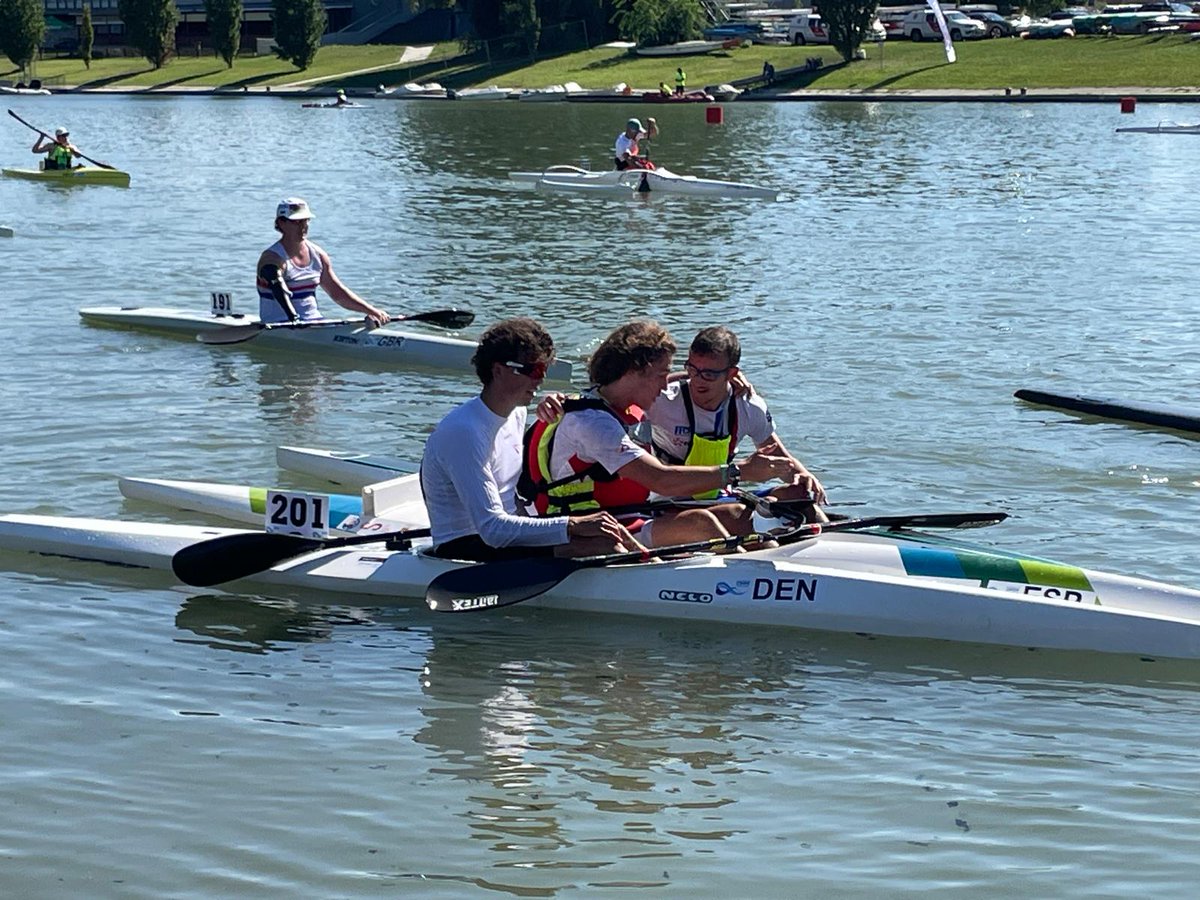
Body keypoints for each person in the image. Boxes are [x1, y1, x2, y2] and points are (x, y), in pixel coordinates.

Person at [521, 321, 804, 548]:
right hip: (588, 529)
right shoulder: (592, 423)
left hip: (628, 516)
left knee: (733, 515)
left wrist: (726, 379)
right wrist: (739, 471)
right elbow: (661, 480)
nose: (667, 382)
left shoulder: (616, 405)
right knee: (700, 523)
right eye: (662, 374)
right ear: (635, 372)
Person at [420, 318, 643, 562]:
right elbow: (492, 529)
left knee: (612, 530)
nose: (541, 379)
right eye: (533, 370)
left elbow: (510, 507)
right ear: (498, 370)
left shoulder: (516, 413)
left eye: (544, 369)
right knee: (601, 544)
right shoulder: (464, 431)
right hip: (464, 545)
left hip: (504, 534)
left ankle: (655, 568)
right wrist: (572, 524)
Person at [646, 326, 828, 525]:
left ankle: (829, 540)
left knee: (799, 493)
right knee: (739, 513)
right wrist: (680, 376)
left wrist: (804, 476)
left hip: (721, 496)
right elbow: (613, 396)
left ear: (731, 373)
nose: (698, 380)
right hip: (672, 502)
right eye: (693, 369)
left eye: (709, 374)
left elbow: (777, 455)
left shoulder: (748, 405)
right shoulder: (662, 401)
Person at [256, 198, 391, 326]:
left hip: (314, 323)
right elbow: (277, 287)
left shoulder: (318, 255)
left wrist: (372, 311)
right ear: (281, 223)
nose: (303, 226)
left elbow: (338, 294)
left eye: (305, 220)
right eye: (296, 222)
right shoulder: (271, 258)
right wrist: (294, 319)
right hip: (280, 325)